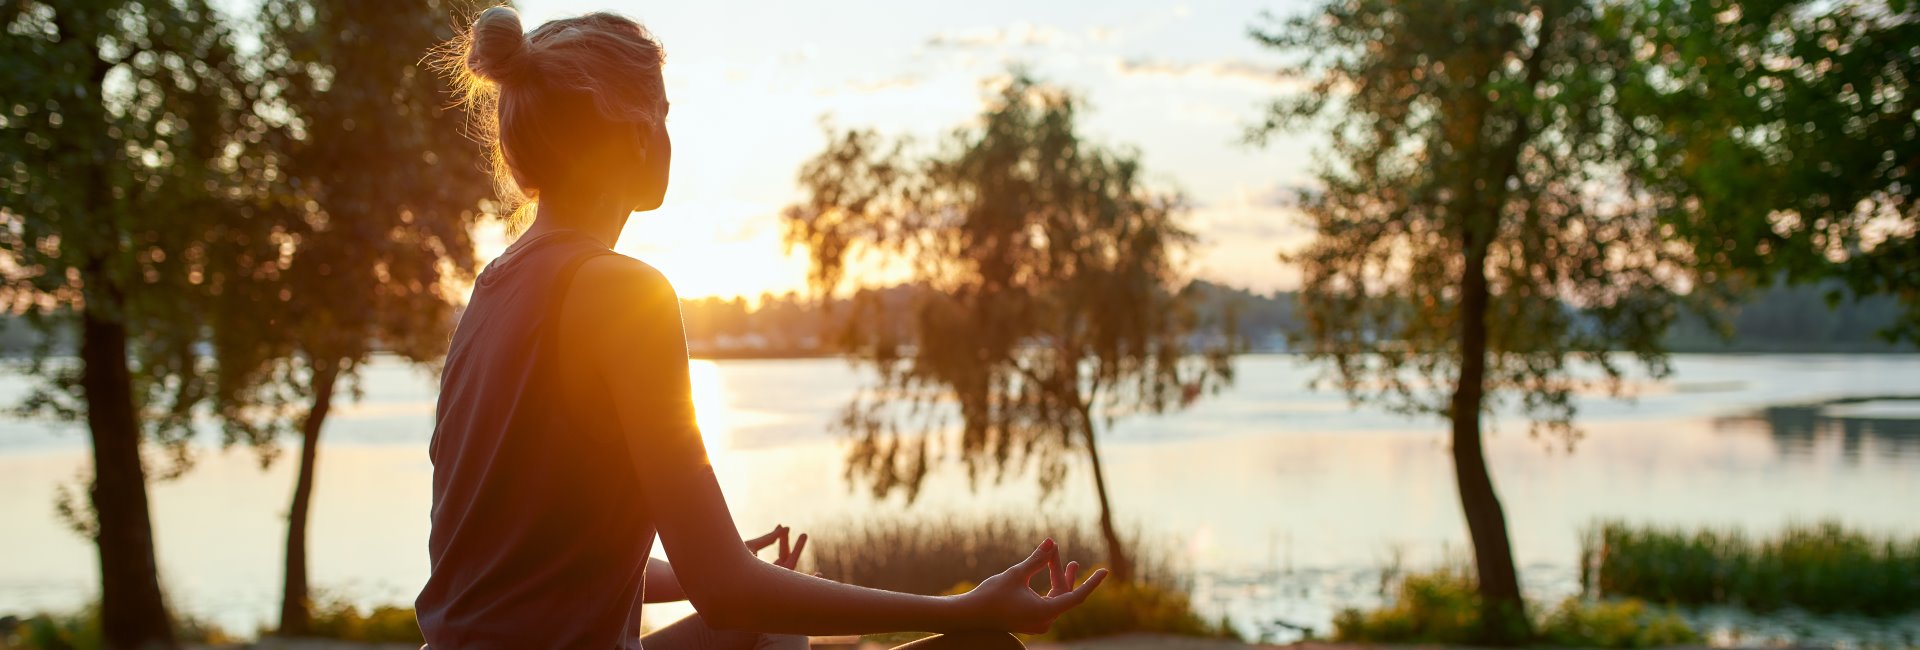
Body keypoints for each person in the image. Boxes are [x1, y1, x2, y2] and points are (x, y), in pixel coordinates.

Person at [415, 6, 1108, 649]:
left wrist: (704, 557)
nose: (665, 132)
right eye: (662, 112)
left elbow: (524, 558)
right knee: (978, 647)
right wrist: (961, 609)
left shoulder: (493, 287)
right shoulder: (622, 292)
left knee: (770, 638)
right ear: (634, 132)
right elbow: (732, 598)